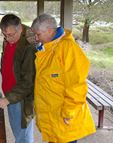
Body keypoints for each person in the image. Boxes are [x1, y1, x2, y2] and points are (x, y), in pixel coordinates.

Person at [31, 14, 96, 143]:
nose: (36, 38)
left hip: (64, 116)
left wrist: (69, 112)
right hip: (52, 115)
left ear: (49, 29)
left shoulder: (68, 48)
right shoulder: (47, 48)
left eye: (38, 34)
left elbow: (77, 85)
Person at [0, 14, 39, 143]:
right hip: (10, 93)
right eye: (4, 35)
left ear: (20, 29)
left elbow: (29, 81)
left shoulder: (29, 46)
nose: (7, 39)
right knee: (17, 132)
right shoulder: (10, 39)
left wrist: (9, 98)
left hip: (21, 97)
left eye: (10, 35)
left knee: (23, 136)